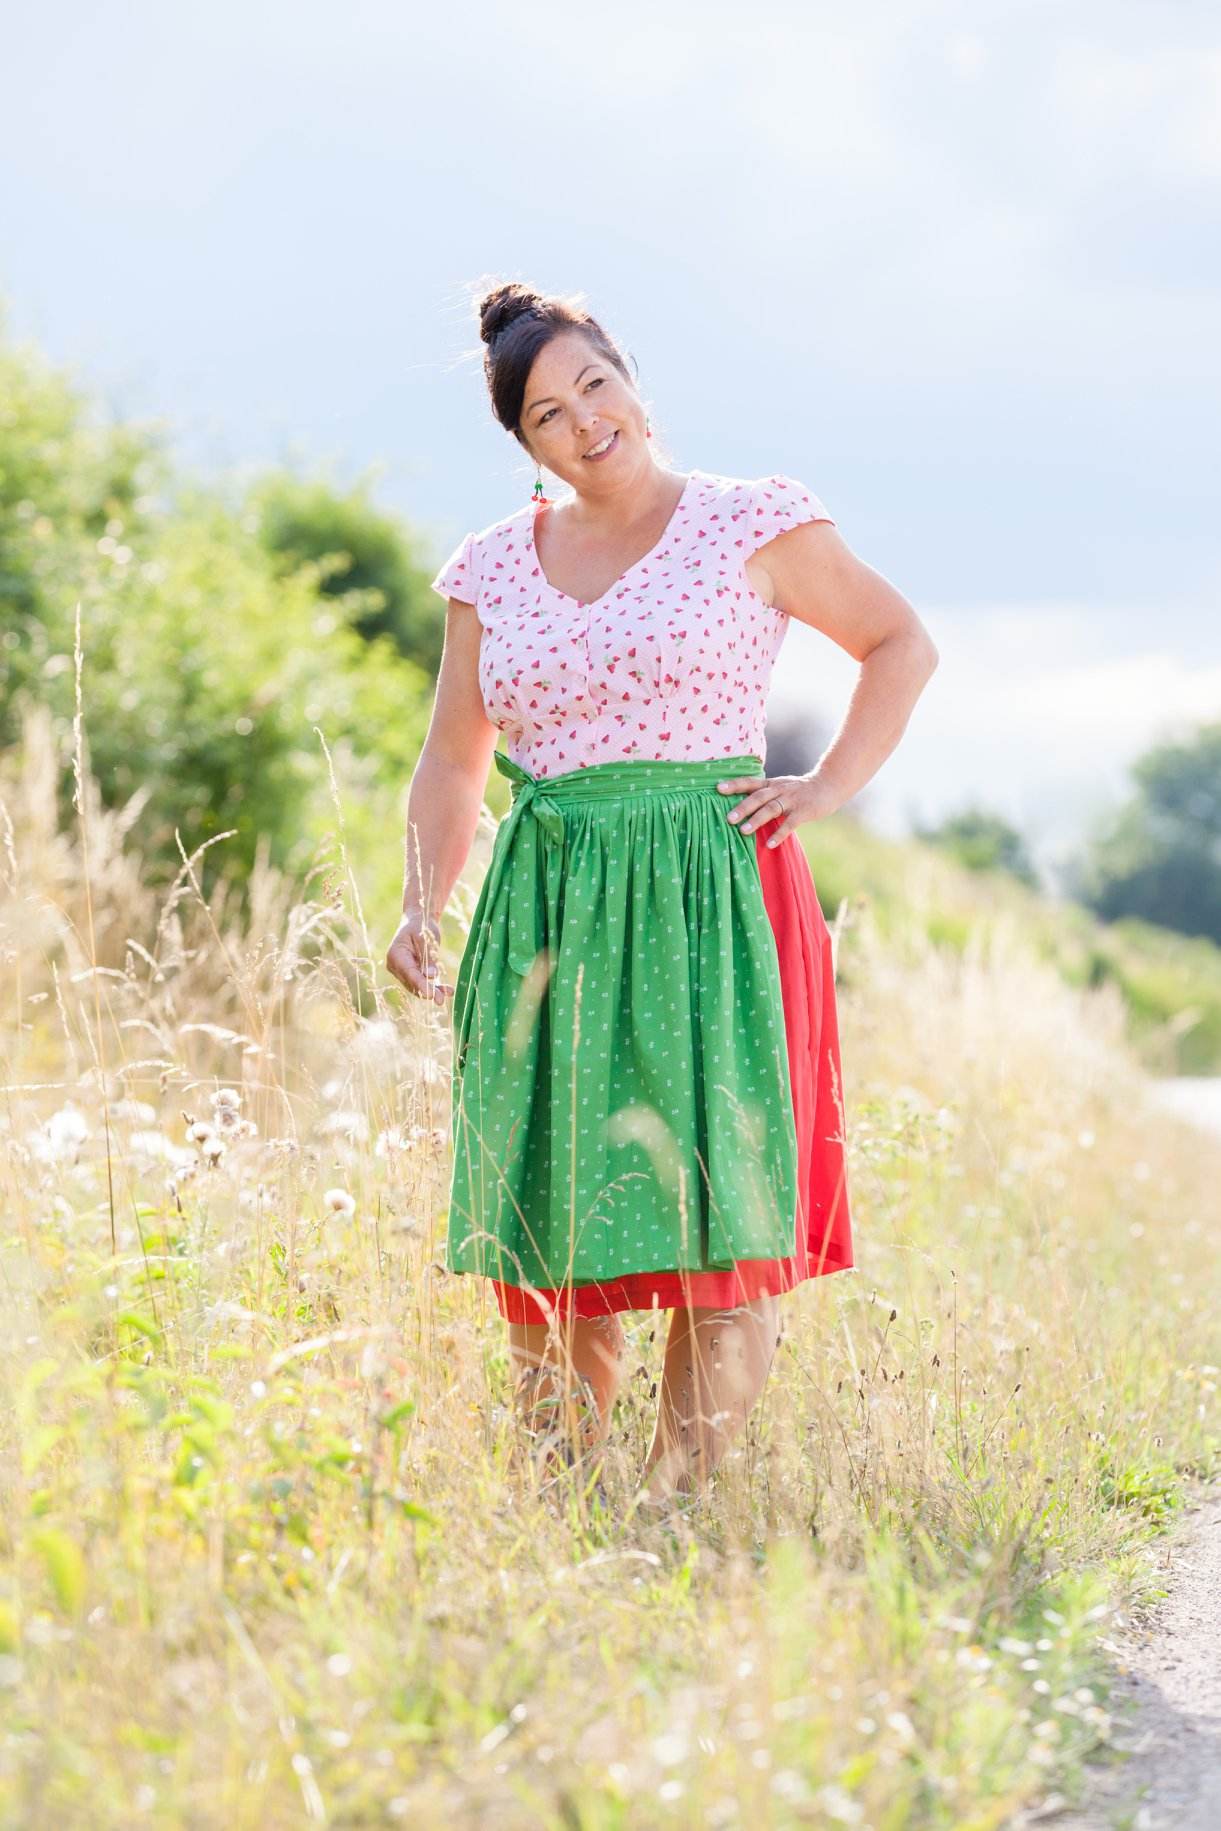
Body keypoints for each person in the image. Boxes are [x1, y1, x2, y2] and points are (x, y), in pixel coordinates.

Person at [386, 281, 938, 1517]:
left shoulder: (752, 521)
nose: (586, 421)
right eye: (547, 413)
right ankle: (563, 1499)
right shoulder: (488, 569)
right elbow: (452, 758)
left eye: (595, 383)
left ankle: (677, 1509)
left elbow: (900, 640)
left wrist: (829, 784)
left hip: (712, 899)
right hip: (548, 906)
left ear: (631, 378)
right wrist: (423, 904)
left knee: (716, 1213)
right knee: (552, 1214)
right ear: (522, 445)